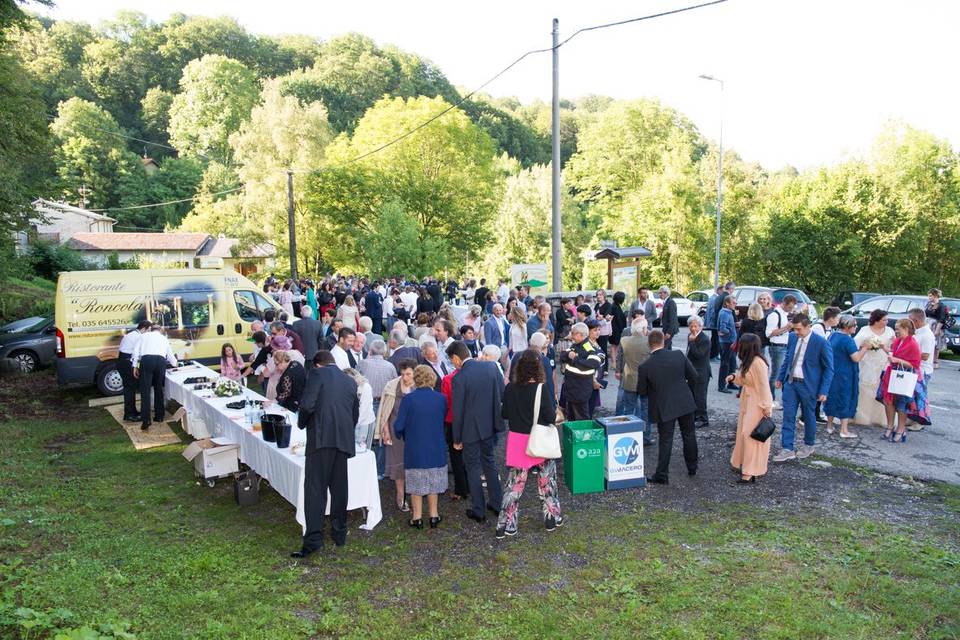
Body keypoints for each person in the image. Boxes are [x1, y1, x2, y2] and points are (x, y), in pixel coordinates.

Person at [292, 351, 359, 557]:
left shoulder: (317, 375)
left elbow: (307, 404)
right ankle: (339, 533)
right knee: (339, 488)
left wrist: (302, 423)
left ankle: (313, 539)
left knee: (315, 489)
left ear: (318, 365)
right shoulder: (349, 381)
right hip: (342, 440)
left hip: (321, 440)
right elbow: (354, 413)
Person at [495, 350, 562, 539]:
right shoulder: (541, 388)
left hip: (517, 440)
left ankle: (506, 524)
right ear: (538, 367)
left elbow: (505, 414)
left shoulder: (510, 388)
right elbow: (550, 417)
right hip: (539, 440)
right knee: (547, 482)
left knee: (514, 486)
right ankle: (551, 518)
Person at [451, 340, 505, 523]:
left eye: (452, 361)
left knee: (473, 468)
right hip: (489, 425)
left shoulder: (459, 378)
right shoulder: (491, 367)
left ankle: (479, 509)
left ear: (457, 358)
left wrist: (456, 438)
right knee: (490, 463)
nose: (453, 364)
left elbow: (457, 412)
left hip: (469, 430)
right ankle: (497, 504)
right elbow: (501, 393)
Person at [636, 329, 699, 484]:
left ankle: (662, 474)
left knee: (666, 440)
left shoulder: (645, 366)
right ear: (663, 341)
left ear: (648, 344)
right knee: (689, 435)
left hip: (663, 406)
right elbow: (694, 377)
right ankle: (692, 467)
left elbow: (641, 391)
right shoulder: (678, 355)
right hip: (685, 401)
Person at [773, 313, 834, 462]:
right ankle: (787, 448)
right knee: (788, 415)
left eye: (799, 329)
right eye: (794, 329)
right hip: (791, 383)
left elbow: (829, 368)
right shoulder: (793, 337)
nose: (796, 332)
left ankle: (809, 444)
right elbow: (788, 357)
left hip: (809, 386)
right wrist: (781, 377)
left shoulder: (820, 342)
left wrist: (824, 390)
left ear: (808, 327)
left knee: (808, 416)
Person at [392, 365, 448, 529]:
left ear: (416, 379)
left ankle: (417, 518)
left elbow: (399, 425)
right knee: (433, 483)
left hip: (415, 447)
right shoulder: (441, 399)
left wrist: (402, 434)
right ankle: (434, 516)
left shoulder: (408, 400)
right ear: (432, 378)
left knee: (416, 484)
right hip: (435, 446)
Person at [727, 334, 773, 483]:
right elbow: (744, 379)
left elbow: (764, 386)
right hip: (749, 403)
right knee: (745, 434)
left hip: (757, 404)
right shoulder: (749, 361)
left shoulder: (758, 363)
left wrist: (766, 407)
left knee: (750, 435)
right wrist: (734, 377)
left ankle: (750, 472)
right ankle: (747, 467)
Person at [378, 358, 417, 512]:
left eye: (408, 374)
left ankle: (415, 494)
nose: (405, 378)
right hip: (396, 430)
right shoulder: (392, 386)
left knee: (414, 463)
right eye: (402, 374)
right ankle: (400, 495)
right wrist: (385, 430)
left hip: (415, 431)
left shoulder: (420, 386)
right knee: (398, 462)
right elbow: (384, 411)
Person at [823, 315, 869, 439]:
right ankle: (844, 429)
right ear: (848, 326)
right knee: (845, 398)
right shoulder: (847, 340)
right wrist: (865, 348)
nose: (856, 327)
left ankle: (829, 425)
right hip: (845, 374)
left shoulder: (833, 335)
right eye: (854, 325)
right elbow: (856, 358)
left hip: (833, 372)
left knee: (831, 397)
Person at [878, 319, 922, 444]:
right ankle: (890, 426)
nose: (896, 331)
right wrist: (884, 349)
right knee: (888, 402)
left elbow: (915, 365)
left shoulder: (913, 344)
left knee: (902, 404)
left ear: (906, 329)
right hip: (892, 374)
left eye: (898, 329)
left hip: (904, 376)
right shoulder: (898, 341)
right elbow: (894, 354)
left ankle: (901, 429)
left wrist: (897, 360)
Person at [358, 339, 398, 478]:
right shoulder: (390, 366)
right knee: (382, 438)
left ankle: (363, 468)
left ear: (371, 350)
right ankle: (380, 471)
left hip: (367, 404)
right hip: (384, 404)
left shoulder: (363, 363)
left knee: (365, 435)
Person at [132, 324, 178, 431]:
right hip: (160, 361)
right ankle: (159, 416)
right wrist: (175, 363)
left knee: (145, 391)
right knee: (158, 389)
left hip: (147, 360)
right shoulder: (164, 338)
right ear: (160, 330)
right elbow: (170, 354)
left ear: (151, 329)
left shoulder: (143, 336)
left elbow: (136, 351)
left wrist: (135, 366)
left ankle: (146, 420)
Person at [852, 310, 894, 427]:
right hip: (868, 362)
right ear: (876, 320)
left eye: (887, 320)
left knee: (881, 389)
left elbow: (891, 347)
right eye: (884, 320)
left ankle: (880, 417)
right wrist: (867, 346)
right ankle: (863, 416)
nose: (887, 322)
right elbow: (856, 344)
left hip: (883, 363)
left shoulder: (890, 331)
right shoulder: (865, 330)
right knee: (865, 388)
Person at [441, 343, 470, 501]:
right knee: (469, 455)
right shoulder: (470, 376)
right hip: (469, 421)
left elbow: (445, 402)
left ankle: (460, 489)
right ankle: (470, 485)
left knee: (456, 456)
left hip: (452, 421)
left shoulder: (448, 379)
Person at [616, 317, 652, 443]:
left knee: (629, 410)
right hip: (646, 381)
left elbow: (620, 356)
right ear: (643, 328)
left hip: (629, 379)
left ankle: (627, 434)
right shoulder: (649, 342)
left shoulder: (624, 340)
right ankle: (646, 437)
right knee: (646, 410)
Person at [560, 322, 604, 420]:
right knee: (571, 418)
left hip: (580, 392)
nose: (571, 336)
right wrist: (569, 356)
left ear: (580, 335)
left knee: (582, 419)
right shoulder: (575, 345)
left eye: (573, 334)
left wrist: (575, 359)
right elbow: (562, 356)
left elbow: (594, 363)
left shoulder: (588, 347)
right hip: (571, 390)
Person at [908, 307, 936, 432]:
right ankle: (913, 418)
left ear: (916, 320)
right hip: (915, 368)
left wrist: (906, 354)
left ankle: (920, 421)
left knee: (920, 397)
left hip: (923, 370)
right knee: (912, 396)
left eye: (910, 320)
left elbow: (925, 355)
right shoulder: (918, 332)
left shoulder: (927, 335)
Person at [765, 294, 795, 408]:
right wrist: (786, 328)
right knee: (776, 374)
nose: (791, 310)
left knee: (782, 374)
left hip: (783, 346)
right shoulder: (774, 315)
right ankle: (770, 399)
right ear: (784, 304)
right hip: (777, 346)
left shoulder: (783, 314)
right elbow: (769, 333)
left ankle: (780, 399)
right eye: (790, 307)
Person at [117, 321, 151, 422]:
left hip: (122, 361)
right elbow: (139, 352)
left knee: (130, 389)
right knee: (130, 389)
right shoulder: (138, 337)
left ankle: (132, 411)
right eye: (148, 330)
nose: (148, 333)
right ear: (144, 329)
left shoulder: (132, 334)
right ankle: (129, 414)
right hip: (127, 363)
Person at [686, 315, 711, 428]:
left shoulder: (704, 339)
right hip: (692, 370)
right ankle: (695, 415)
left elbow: (699, 355)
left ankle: (703, 418)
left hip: (701, 371)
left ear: (700, 326)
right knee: (692, 394)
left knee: (700, 396)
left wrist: (692, 342)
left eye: (695, 326)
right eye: (691, 326)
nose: (693, 328)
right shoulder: (691, 336)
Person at [716, 295, 738, 394]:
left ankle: (731, 382)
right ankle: (721, 385)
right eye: (733, 302)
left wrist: (735, 325)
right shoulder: (725, 313)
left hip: (731, 341)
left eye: (735, 302)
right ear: (727, 303)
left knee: (732, 363)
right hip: (726, 342)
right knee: (725, 364)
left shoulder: (728, 312)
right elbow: (722, 328)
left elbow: (727, 325)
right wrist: (729, 331)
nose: (735, 304)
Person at [925, 288, 947, 368]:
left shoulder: (941, 305)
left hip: (936, 325)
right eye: (929, 296)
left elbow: (942, 318)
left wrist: (937, 330)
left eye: (930, 296)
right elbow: (925, 314)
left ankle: (935, 361)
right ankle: (928, 360)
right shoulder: (929, 304)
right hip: (928, 324)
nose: (929, 297)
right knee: (928, 342)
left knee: (936, 344)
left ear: (935, 296)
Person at [704, 285, 724, 360]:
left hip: (713, 322)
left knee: (715, 339)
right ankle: (713, 355)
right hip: (714, 322)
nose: (723, 293)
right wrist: (714, 323)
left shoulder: (713, 297)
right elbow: (713, 312)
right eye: (722, 291)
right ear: (719, 290)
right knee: (715, 340)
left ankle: (714, 355)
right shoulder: (715, 298)